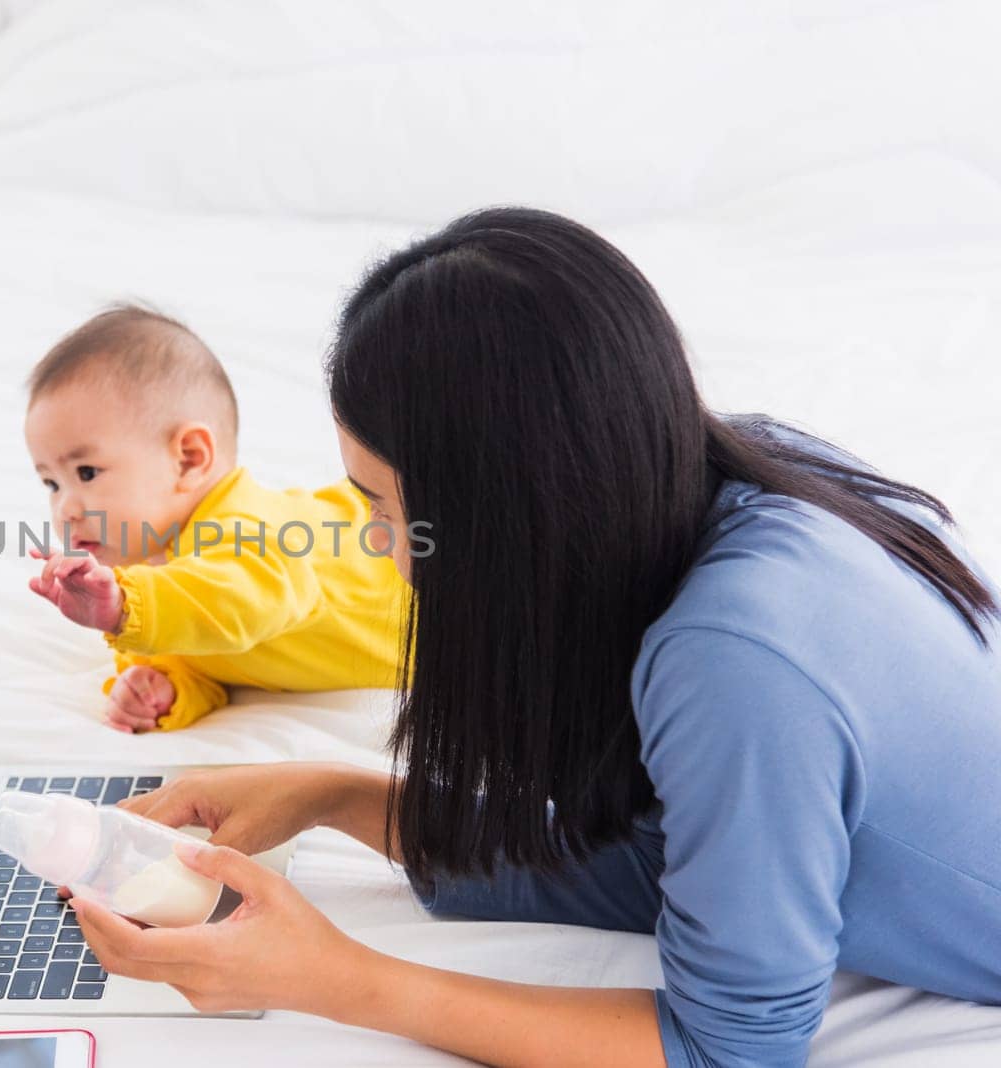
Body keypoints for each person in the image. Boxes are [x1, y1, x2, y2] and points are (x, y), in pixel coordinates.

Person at [66, 209, 1001, 1067]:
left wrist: (335, 980)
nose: (386, 551)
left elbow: (732, 1052)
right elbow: (673, 853)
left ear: (507, 518)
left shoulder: (733, 666)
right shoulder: (740, 472)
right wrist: (335, 797)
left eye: (384, 510)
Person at [23, 304, 406, 732]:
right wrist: (160, 689)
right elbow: (202, 657)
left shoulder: (240, 525)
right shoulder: (142, 579)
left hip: (428, 568)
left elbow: (249, 600)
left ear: (188, 459)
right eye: (51, 484)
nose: (65, 508)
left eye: (86, 473)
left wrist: (126, 607)